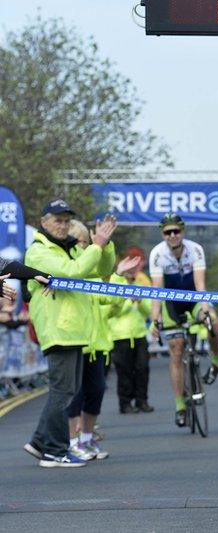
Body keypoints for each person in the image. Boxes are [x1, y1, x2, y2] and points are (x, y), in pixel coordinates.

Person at [22, 199, 119, 468]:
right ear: (44, 222)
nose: (63, 225)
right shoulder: (39, 252)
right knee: (63, 391)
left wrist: (105, 244)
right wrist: (96, 245)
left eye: (66, 221)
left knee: (68, 390)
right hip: (58, 329)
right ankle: (54, 450)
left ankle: (40, 441)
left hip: (75, 330)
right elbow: (74, 272)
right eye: (58, 220)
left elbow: (100, 270)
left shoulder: (69, 250)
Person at [63, 220, 131, 461]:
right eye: (80, 241)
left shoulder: (91, 272)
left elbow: (110, 299)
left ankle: (86, 439)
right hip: (77, 343)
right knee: (75, 395)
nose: (84, 245)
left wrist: (120, 277)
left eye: (86, 241)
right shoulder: (71, 271)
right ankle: (71, 441)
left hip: (99, 345)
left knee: (96, 392)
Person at [148, 214, 218, 429]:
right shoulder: (157, 254)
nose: (172, 235)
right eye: (167, 232)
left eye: (176, 231)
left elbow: (200, 284)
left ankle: (216, 364)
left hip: (193, 299)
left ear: (183, 232)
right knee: (176, 349)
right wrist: (156, 318)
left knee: (215, 325)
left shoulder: (195, 249)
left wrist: (206, 310)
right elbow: (156, 291)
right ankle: (180, 406)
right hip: (172, 303)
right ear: (163, 234)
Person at [109, 253, 154, 414]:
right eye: (128, 271)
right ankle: (125, 403)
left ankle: (142, 401)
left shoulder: (141, 288)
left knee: (143, 369)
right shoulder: (115, 289)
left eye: (133, 271)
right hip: (120, 337)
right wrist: (128, 301)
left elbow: (148, 311)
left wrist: (140, 301)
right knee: (124, 371)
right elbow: (113, 312)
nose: (131, 274)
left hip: (139, 335)